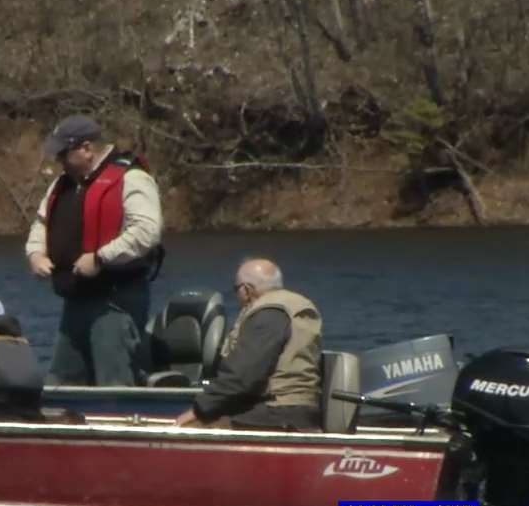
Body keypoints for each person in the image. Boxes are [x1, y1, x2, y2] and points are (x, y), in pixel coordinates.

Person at [25, 114, 164, 387]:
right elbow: (41, 223)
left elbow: (147, 231)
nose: (59, 161)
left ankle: (117, 426)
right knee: (60, 383)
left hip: (115, 302)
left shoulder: (131, 178)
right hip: (76, 300)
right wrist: (36, 254)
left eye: (64, 153)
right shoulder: (62, 184)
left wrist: (101, 257)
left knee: (114, 381)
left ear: (86, 149)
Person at [174, 258, 323, 430]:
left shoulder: (268, 314)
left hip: (277, 412)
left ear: (246, 290)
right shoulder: (294, 306)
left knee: (191, 426)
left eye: (236, 289)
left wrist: (199, 411)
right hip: (298, 410)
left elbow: (243, 376)